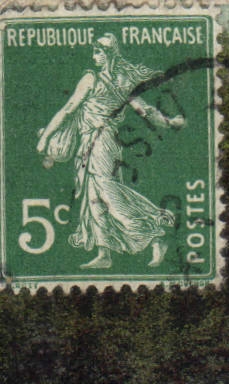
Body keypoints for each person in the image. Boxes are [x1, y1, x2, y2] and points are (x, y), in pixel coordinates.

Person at [35, 34, 185, 269]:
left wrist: (45, 138)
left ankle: (157, 231)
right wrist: (169, 122)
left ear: (108, 55)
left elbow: (68, 110)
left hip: (101, 143)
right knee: (94, 198)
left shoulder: (91, 78)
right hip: (94, 143)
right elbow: (145, 111)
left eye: (98, 52)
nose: (94, 57)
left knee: (108, 193)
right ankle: (104, 253)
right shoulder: (123, 80)